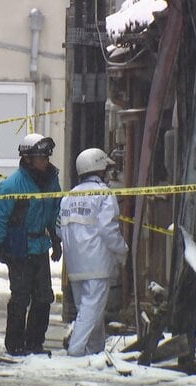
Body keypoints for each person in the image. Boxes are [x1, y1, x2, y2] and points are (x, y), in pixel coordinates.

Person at [0, 133, 62, 356]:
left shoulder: (51, 180)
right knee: (20, 298)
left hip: (40, 246)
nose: (45, 161)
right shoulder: (12, 186)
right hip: (19, 248)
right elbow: (0, 218)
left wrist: (55, 239)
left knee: (43, 298)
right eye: (41, 157)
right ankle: (15, 344)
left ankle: (34, 343)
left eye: (47, 156)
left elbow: (53, 211)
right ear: (28, 158)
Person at [58, 148, 128, 357]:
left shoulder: (68, 196)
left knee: (88, 309)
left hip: (75, 264)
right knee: (91, 309)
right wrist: (121, 250)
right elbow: (108, 229)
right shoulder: (103, 194)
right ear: (99, 168)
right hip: (97, 262)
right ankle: (76, 350)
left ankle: (95, 350)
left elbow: (59, 229)